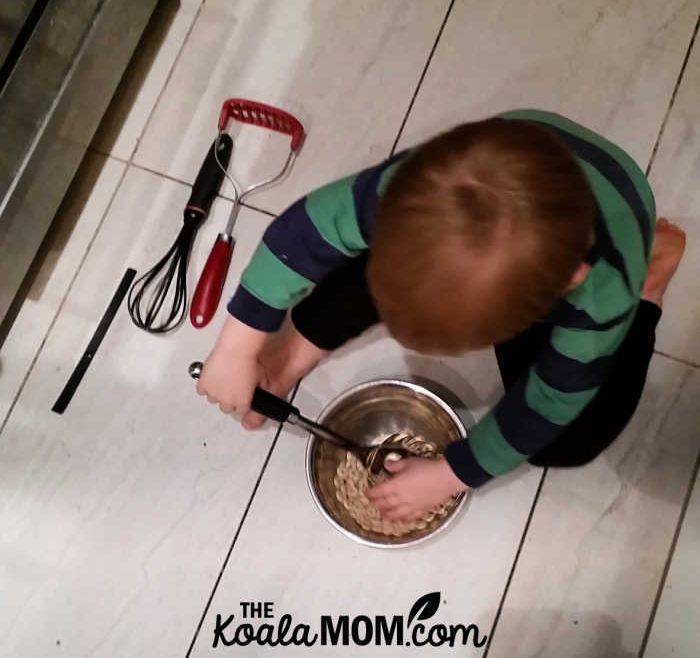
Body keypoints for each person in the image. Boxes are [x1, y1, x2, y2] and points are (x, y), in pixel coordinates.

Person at [196, 110, 686, 522]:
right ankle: (288, 359)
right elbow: (300, 236)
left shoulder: (599, 294)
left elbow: (549, 404)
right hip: (523, 172)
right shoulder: (412, 189)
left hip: (606, 241)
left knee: (568, 443)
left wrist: (453, 473)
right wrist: (237, 345)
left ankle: (650, 288)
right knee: (386, 265)